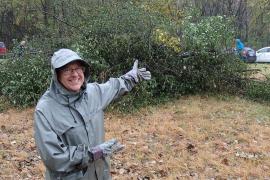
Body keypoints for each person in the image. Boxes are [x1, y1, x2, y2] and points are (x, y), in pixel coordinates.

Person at [34, 48, 151, 180]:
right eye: (67, 70)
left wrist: (130, 78)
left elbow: (114, 87)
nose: (75, 74)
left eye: (78, 68)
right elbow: (53, 157)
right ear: (57, 75)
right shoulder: (45, 109)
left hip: (100, 174)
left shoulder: (93, 92)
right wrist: (90, 154)